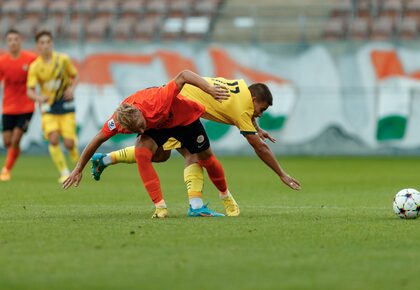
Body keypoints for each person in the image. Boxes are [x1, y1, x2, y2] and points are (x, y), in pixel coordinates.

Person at [91, 77, 301, 216]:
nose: (260, 114)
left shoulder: (241, 86)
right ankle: (198, 205)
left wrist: (256, 126)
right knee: (192, 155)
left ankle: (105, 159)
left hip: (183, 108)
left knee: (164, 155)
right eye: (261, 109)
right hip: (178, 111)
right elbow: (260, 148)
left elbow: (246, 111)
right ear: (254, 99)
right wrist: (282, 174)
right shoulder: (242, 109)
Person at [63, 70, 232, 219]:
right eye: (136, 129)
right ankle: (162, 207)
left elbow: (184, 75)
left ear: (140, 113)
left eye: (141, 125)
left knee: (199, 158)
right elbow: (97, 139)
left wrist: (209, 89)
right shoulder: (118, 122)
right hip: (158, 127)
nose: (141, 130)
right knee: (142, 152)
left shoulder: (158, 101)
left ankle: (225, 197)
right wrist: (78, 168)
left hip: (183, 119)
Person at [27, 30, 79, 183]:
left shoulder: (63, 60)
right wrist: (39, 97)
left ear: (52, 43)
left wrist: (71, 89)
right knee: (54, 139)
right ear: (38, 46)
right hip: (48, 108)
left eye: (48, 42)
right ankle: (64, 172)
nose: (45, 45)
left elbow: (75, 76)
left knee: (69, 143)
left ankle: (78, 164)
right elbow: (30, 91)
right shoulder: (35, 66)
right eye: (42, 43)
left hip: (66, 106)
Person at [0, 29, 37, 181]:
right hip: (8, 106)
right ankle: (15, 152)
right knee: (7, 142)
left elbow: (42, 74)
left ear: (20, 41)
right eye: (10, 40)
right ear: (7, 42)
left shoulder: (31, 59)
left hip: (26, 106)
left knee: (15, 139)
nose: (13, 42)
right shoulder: (2, 61)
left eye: (16, 39)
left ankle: (6, 170)